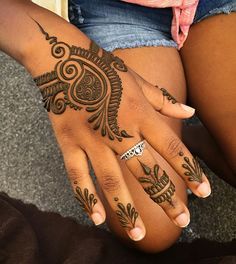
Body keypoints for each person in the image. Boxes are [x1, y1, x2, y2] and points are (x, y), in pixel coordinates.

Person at [0, 0, 235, 253]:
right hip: (110, 8)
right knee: (150, 228)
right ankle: (185, 136)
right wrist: (40, 46)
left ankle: (188, 133)